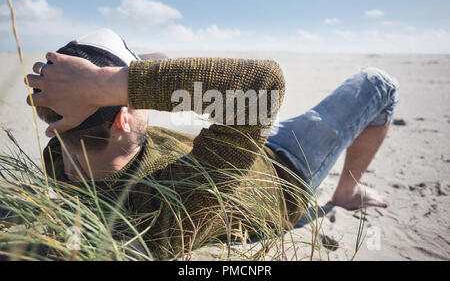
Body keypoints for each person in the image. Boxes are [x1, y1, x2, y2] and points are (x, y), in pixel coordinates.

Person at [25, 29, 399, 259]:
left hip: (239, 138)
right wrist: (105, 83)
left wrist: (101, 86)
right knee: (379, 84)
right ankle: (347, 191)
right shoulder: (166, 207)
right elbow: (261, 86)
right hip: (286, 170)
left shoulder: (64, 153)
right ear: (123, 119)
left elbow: (160, 63)